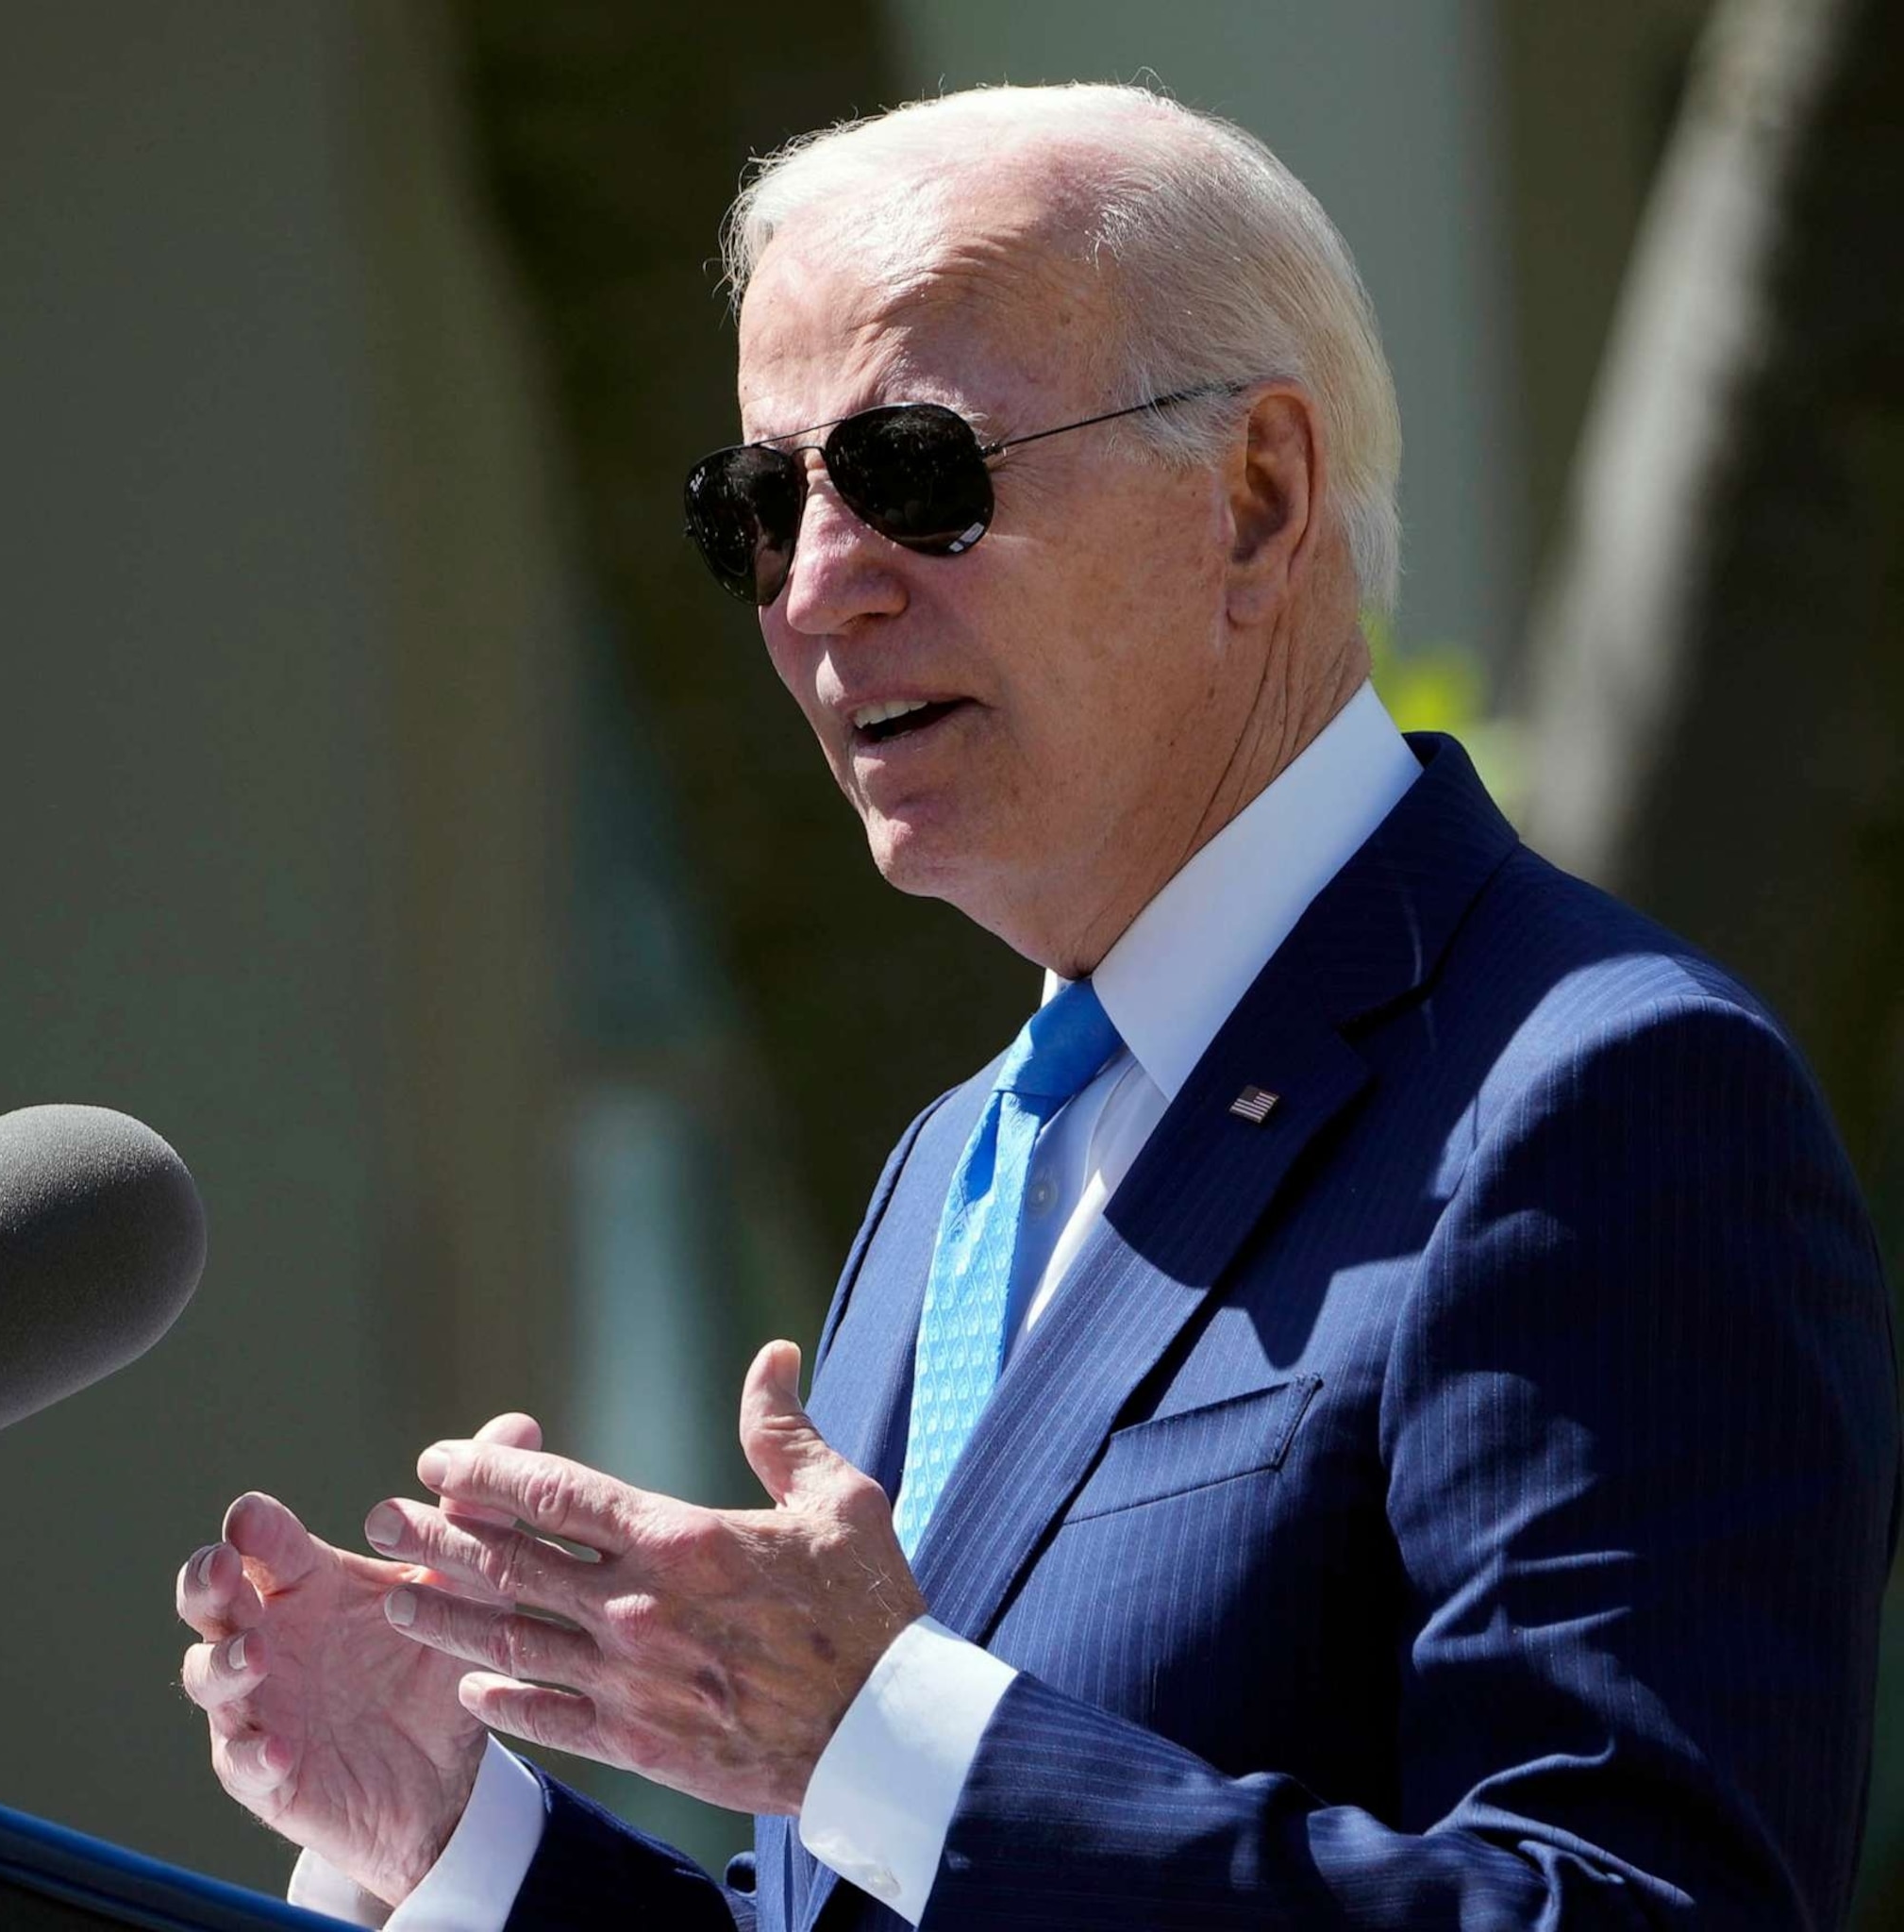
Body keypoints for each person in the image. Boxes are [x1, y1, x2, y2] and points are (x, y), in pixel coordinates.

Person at [175, 82, 1899, 1929]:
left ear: (1257, 498)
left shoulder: (1598, 1099)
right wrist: (457, 1844)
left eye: (919, 472)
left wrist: (891, 1730)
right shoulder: (962, 1162)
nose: (819, 587)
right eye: (759, 505)